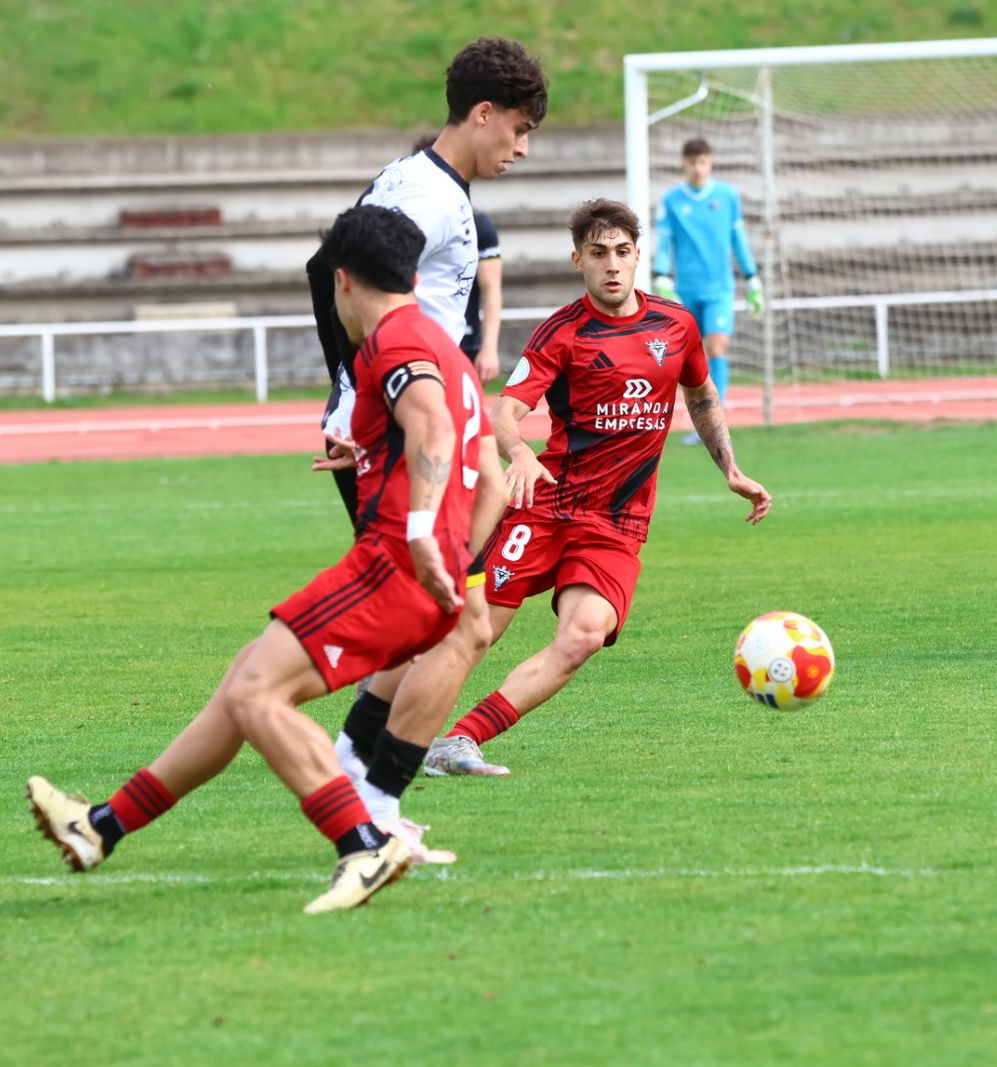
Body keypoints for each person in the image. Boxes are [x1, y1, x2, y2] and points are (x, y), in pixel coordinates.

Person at [26, 205, 502, 912]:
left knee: (256, 694)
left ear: (343, 280)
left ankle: (363, 843)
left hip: (389, 568)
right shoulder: (444, 345)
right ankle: (102, 826)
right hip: (420, 578)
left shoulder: (391, 340)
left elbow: (430, 424)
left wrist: (422, 532)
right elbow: (487, 473)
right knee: (242, 685)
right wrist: (399, 488)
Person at [417, 198, 773, 777]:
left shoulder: (675, 325)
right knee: (474, 631)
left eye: (623, 253)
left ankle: (459, 740)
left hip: (616, 522)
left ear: (638, 258)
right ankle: (381, 724)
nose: (613, 265)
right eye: (599, 254)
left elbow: (701, 396)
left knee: (583, 635)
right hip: (548, 505)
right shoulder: (562, 333)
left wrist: (729, 468)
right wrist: (519, 453)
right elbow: (505, 411)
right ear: (578, 260)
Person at [311, 37, 546, 518]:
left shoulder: (425, 180)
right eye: (519, 129)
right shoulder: (427, 199)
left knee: (463, 577)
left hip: (418, 415)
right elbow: (332, 272)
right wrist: (361, 399)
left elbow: (326, 267)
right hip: (397, 427)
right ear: (483, 113)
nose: (523, 149)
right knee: (411, 585)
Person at [651, 138, 763, 445]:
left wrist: (753, 279)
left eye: (702, 162)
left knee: (716, 347)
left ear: (710, 162)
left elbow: (738, 240)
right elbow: (663, 243)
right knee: (688, 359)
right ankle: (698, 421)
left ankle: (718, 420)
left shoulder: (727, 196)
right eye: (692, 163)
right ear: (683, 164)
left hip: (720, 290)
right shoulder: (671, 200)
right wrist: (661, 276)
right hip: (685, 292)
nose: (697, 168)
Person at [413, 132, 505, 385]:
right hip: (416, 344)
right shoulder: (406, 224)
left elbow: (491, 290)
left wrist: (489, 349)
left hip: (463, 344)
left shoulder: (479, 226)